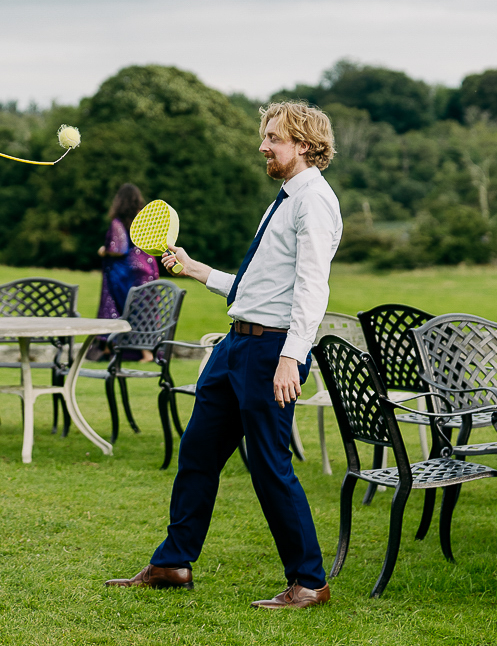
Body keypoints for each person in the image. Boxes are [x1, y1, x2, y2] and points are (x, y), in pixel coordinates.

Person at [105, 101, 341, 609]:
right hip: (236, 345)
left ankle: (309, 582)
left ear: (303, 144)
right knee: (198, 453)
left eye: (274, 137)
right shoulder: (283, 199)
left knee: (270, 465)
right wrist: (195, 269)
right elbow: (256, 289)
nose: (263, 145)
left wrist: (290, 357)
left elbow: (311, 288)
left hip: (271, 351)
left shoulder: (313, 202)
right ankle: (172, 563)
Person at [95, 183, 160, 358]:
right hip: (147, 267)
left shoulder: (118, 222)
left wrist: (103, 250)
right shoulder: (142, 219)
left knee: (121, 306)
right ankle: (147, 350)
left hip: (125, 272)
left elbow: (118, 248)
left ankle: (114, 346)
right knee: (144, 308)